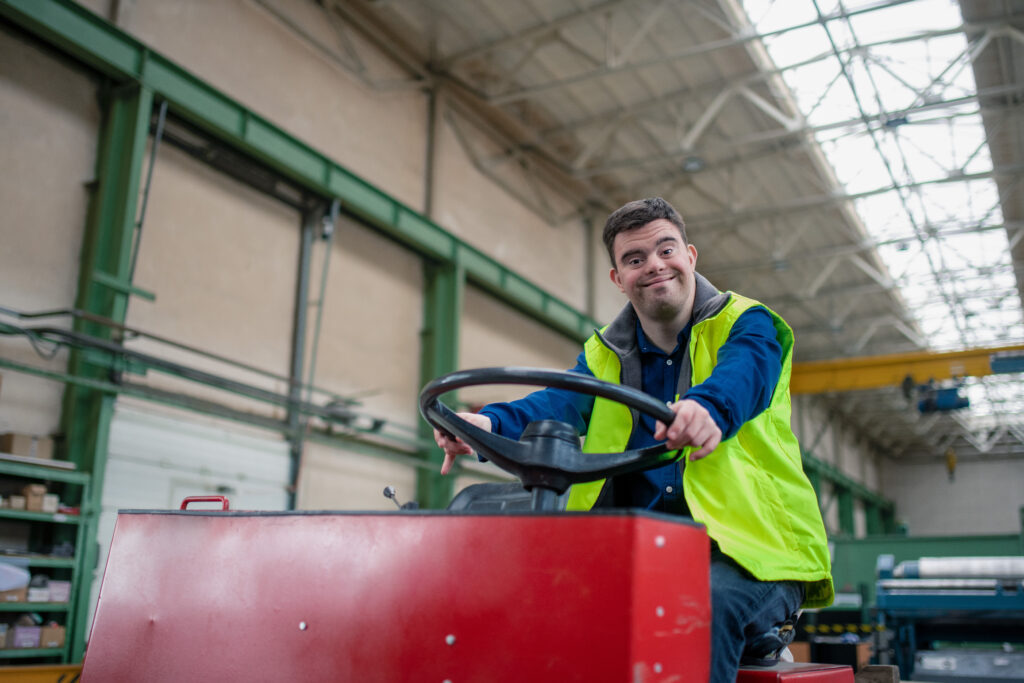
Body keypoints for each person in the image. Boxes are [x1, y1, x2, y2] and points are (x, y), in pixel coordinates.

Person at [433, 197, 833, 683]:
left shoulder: (748, 324)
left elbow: (743, 374)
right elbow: (557, 404)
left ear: (690, 255)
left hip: (752, 552)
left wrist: (706, 409)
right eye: (635, 259)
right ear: (618, 278)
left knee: (702, 604)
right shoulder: (605, 355)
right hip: (637, 546)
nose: (654, 266)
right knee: (530, 598)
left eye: (666, 250)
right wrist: (488, 425)